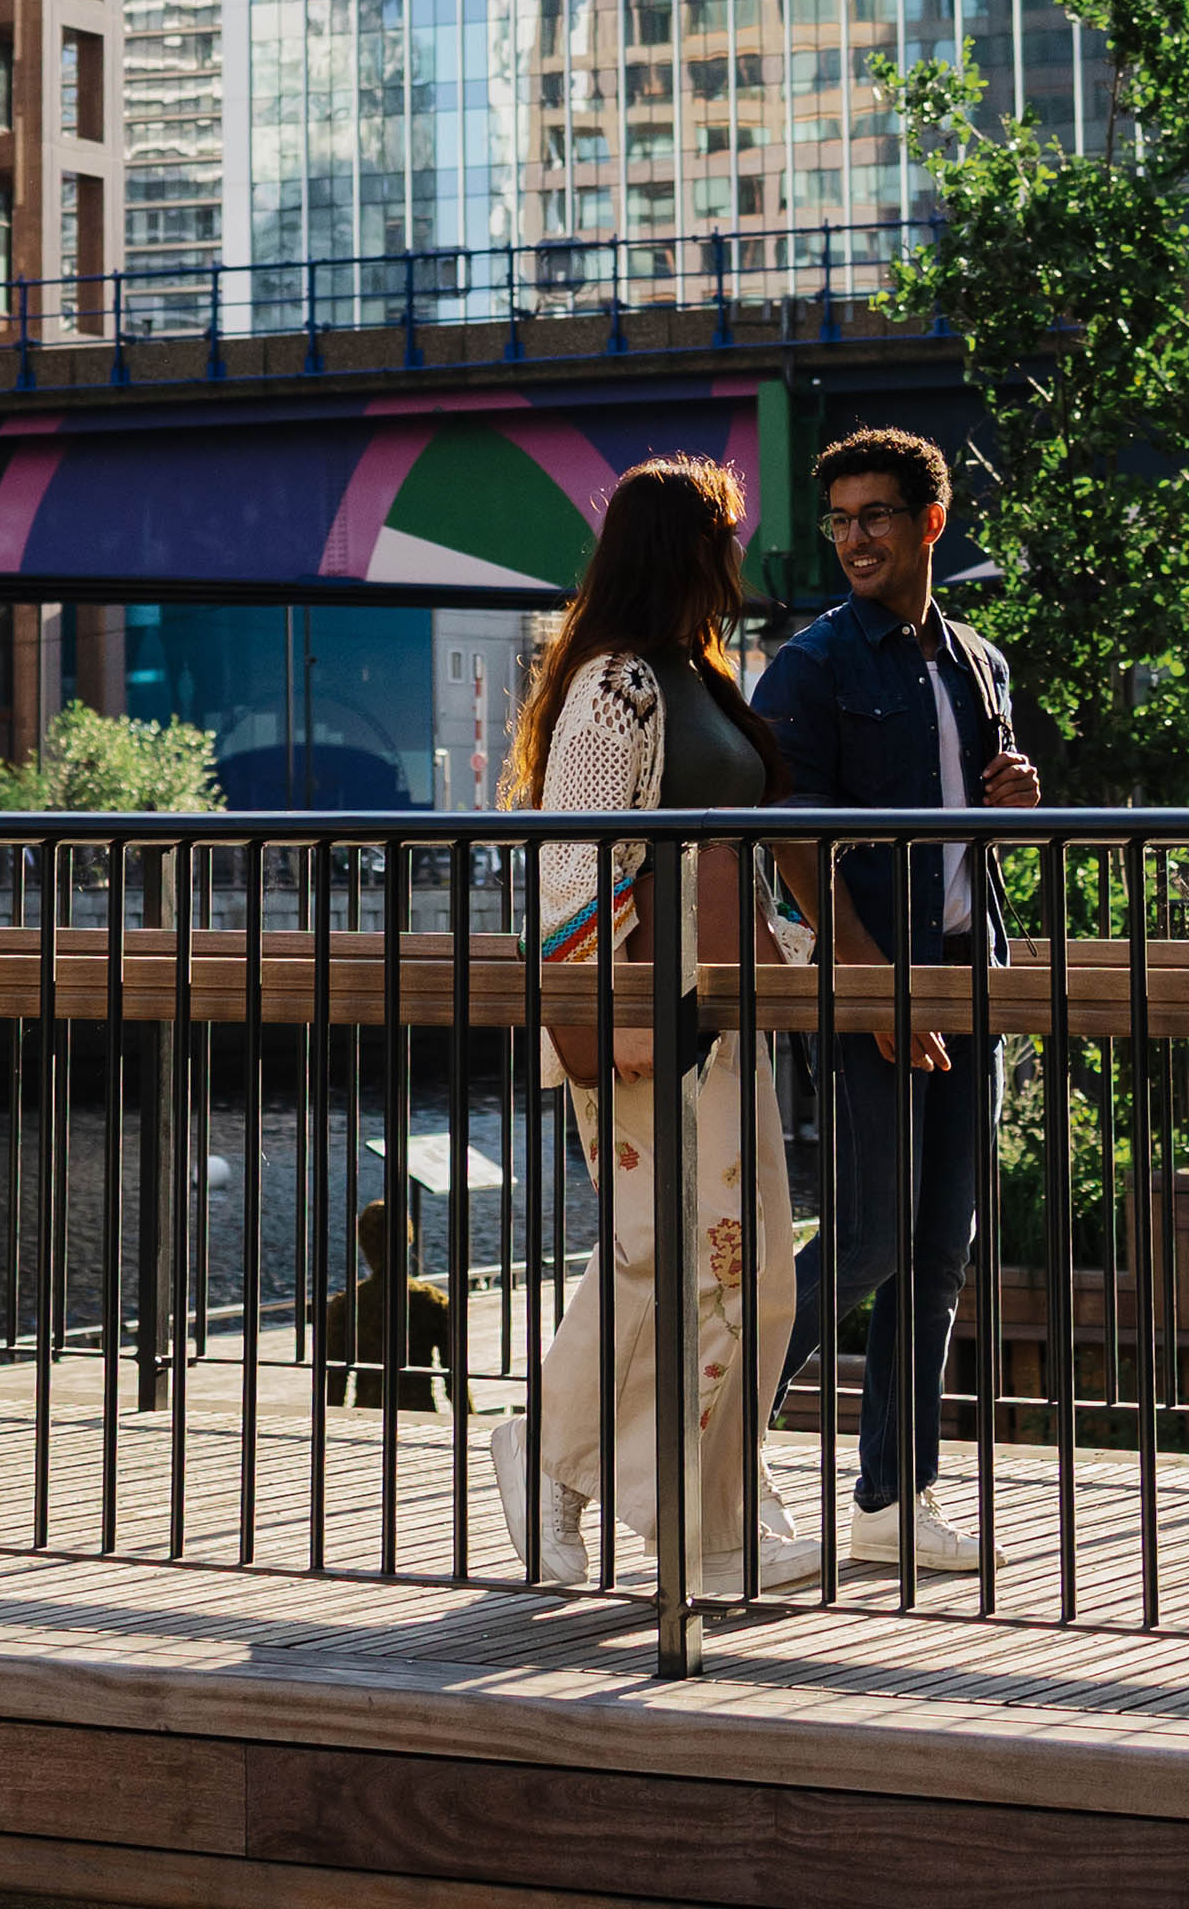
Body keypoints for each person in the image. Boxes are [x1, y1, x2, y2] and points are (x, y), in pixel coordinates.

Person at [490, 455, 821, 1599]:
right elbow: (573, 854)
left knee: (753, 1270)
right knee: (665, 1260)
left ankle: (711, 1516)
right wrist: (604, 1009)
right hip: (648, 1012)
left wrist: (794, 966)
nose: (738, 557)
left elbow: (743, 857)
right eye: (724, 535)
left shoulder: (696, 674)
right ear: (682, 548)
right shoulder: (617, 687)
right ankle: (569, 1469)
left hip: (727, 1011)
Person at [754, 426, 1040, 1577]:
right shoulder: (811, 669)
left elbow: (984, 810)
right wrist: (872, 981)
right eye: (840, 519)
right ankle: (704, 1445)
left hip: (974, 975)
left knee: (941, 1247)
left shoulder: (979, 661)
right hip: (875, 979)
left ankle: (892, 1499)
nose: (855, 539)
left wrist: (1016, 793)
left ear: (931, 522)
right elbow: (792, 847)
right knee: (867, 1238)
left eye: (876, 516)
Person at [318, 1199, 463, 1411]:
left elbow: (335, 1385)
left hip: (367, 1417)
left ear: (363, 1244)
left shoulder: (346, 1306)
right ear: (408, 1240)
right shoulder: (432, 1301)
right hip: (419, 1415)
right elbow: (455, 1380)